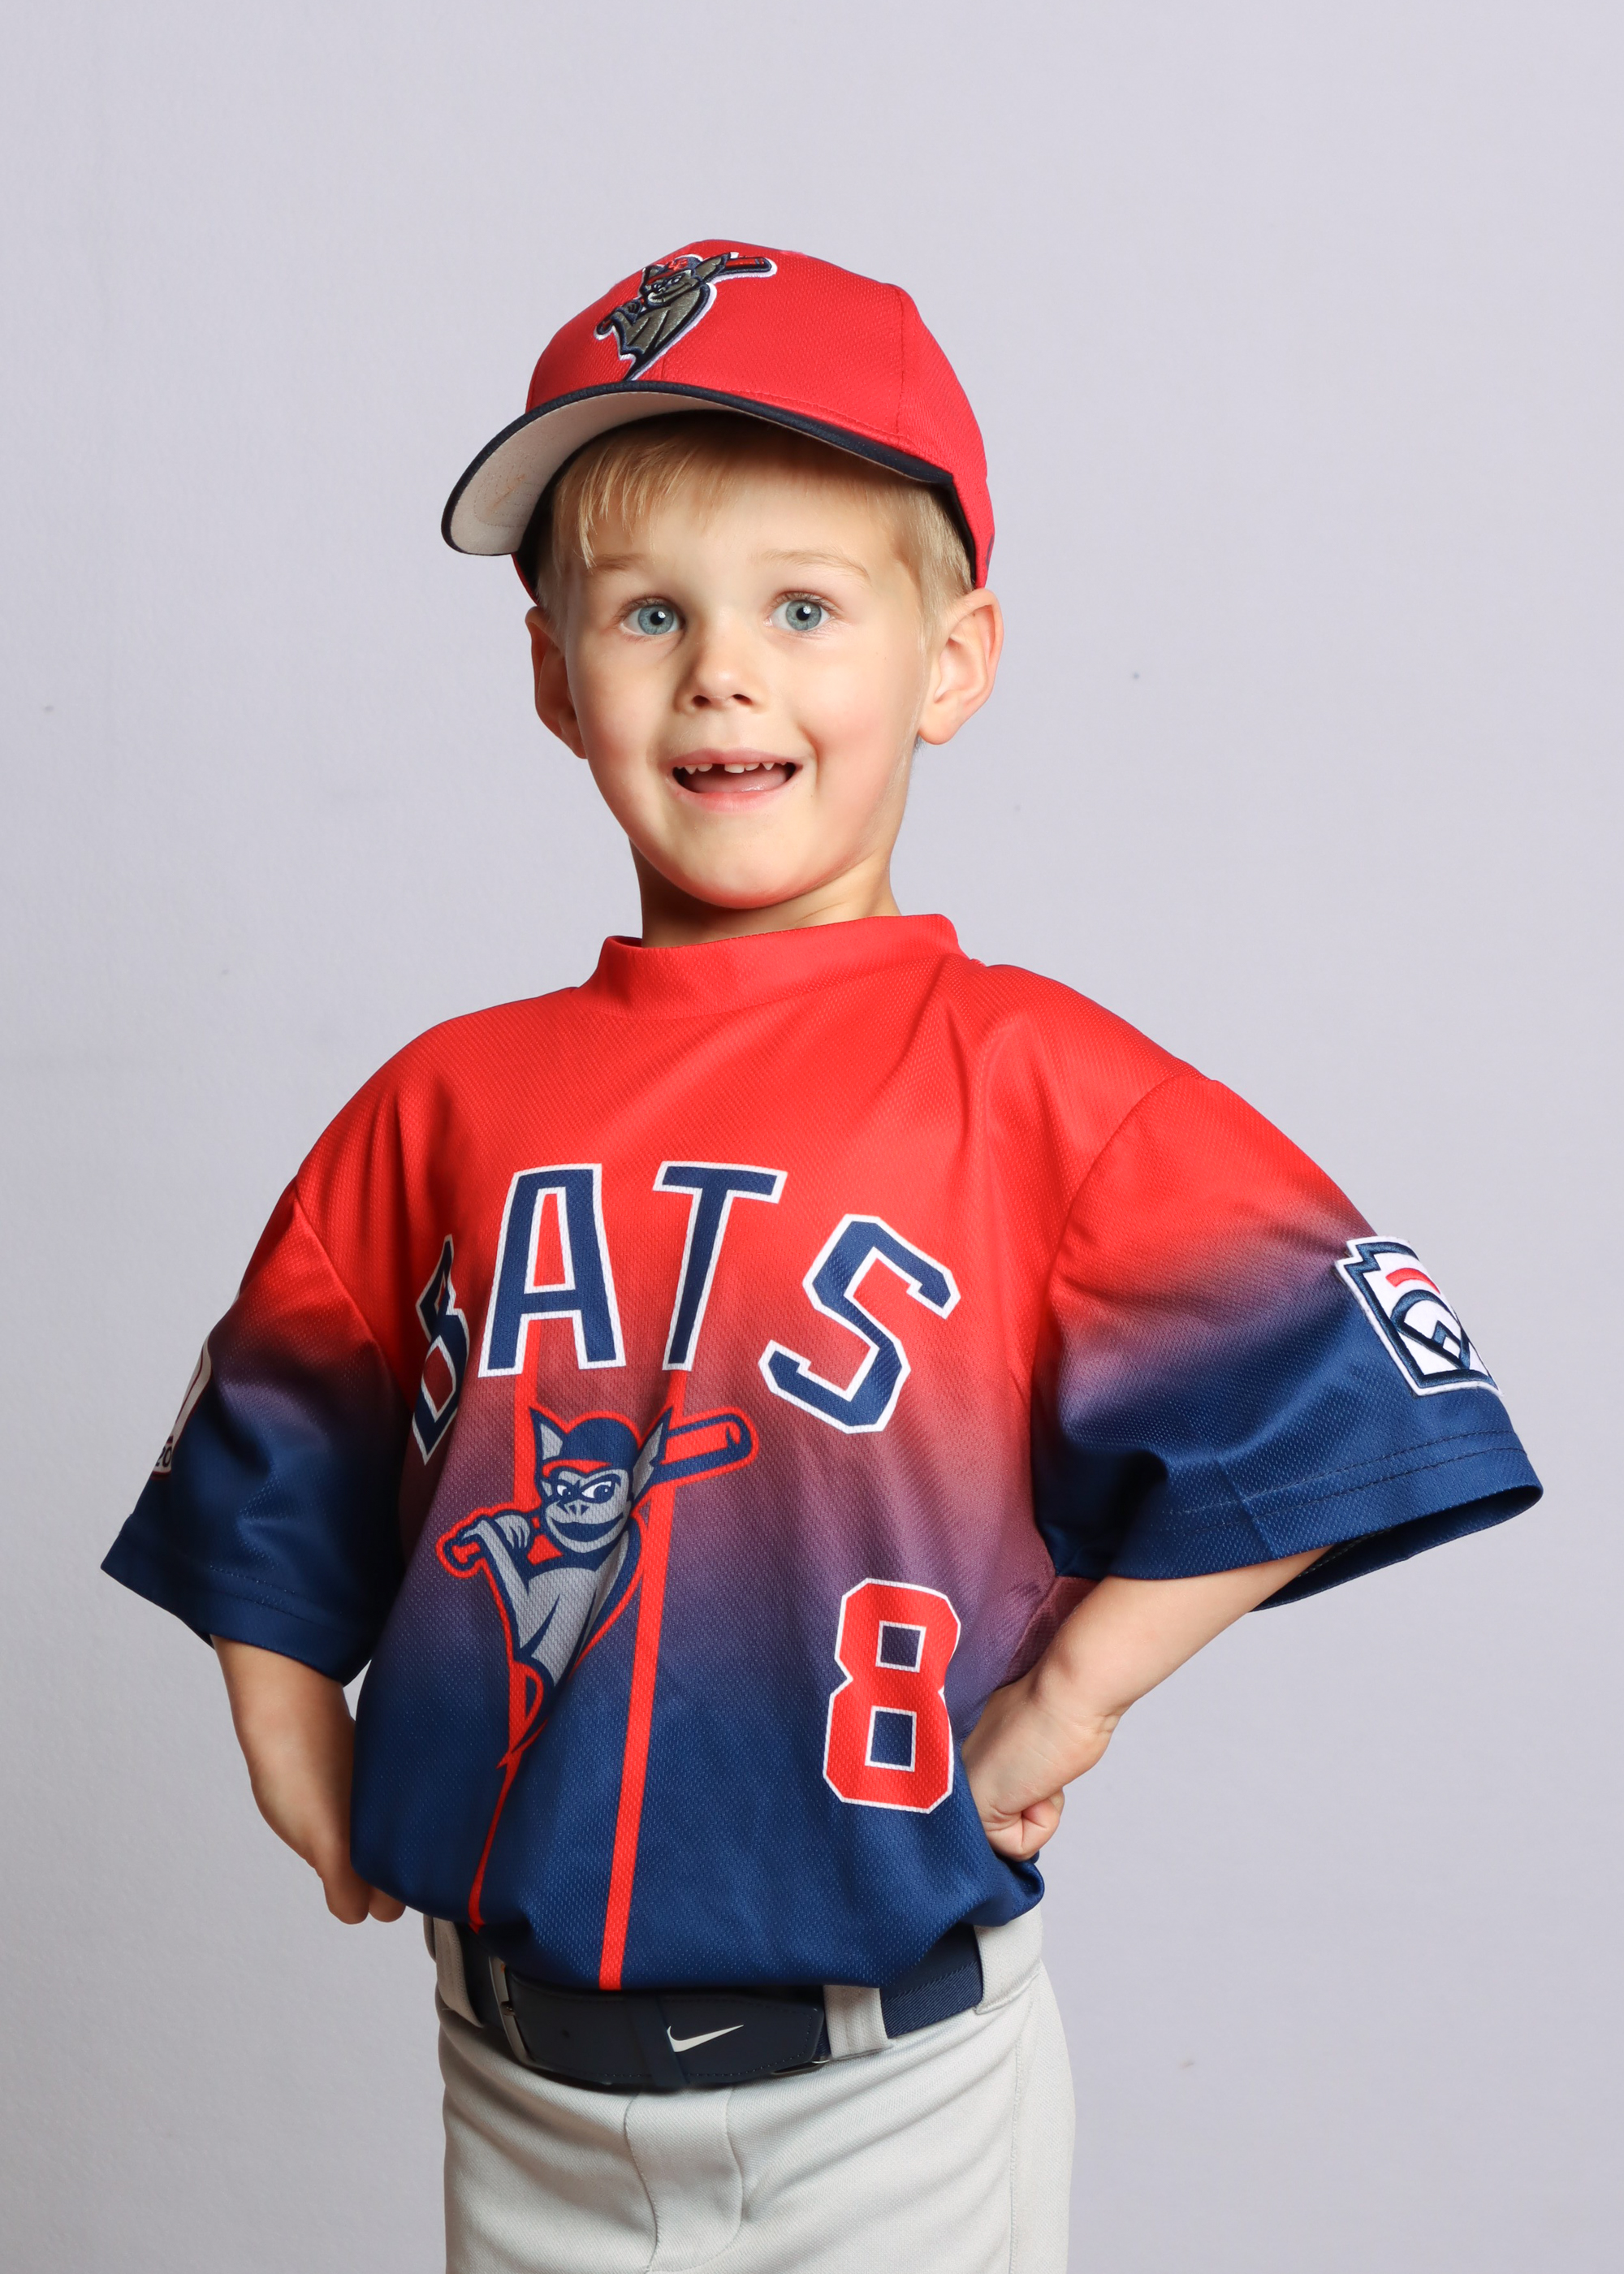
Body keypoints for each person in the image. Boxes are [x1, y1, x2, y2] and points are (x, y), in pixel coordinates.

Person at [103, 242, 1541, 2274]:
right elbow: (279, 1438)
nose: (721, 671)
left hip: (895, 2089)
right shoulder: (445, 1101)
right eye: (648, 612)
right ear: (553, 677)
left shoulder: (1035, 1080)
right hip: (513, 2073)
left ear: (950, 661)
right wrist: (285, 1723)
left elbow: (1349, 1397)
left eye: (802, 607)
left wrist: (1075, 1693)